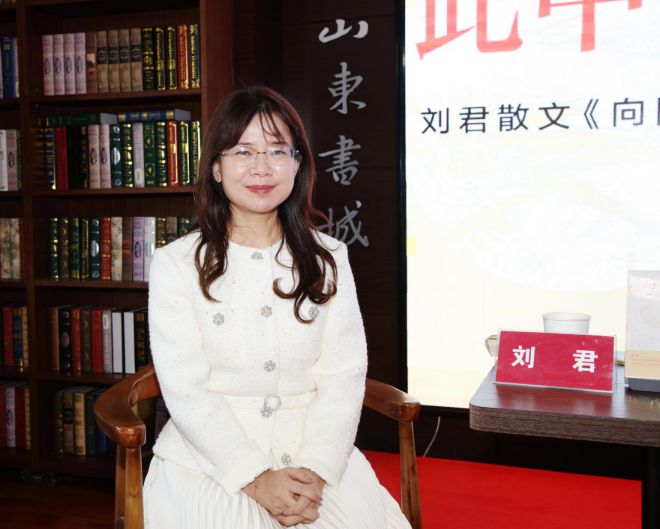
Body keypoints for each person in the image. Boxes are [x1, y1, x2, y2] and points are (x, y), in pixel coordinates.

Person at [143, 86, 412, 528]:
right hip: (209, 458)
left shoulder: (328, 257)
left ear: (297, 163)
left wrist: (315, 471)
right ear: (216, 167)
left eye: (276, 151)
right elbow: (185, 389)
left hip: (315, 453)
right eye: (243, 151)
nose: (261, 167)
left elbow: (343, 375)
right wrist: (255, 478)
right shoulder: (177, 264)